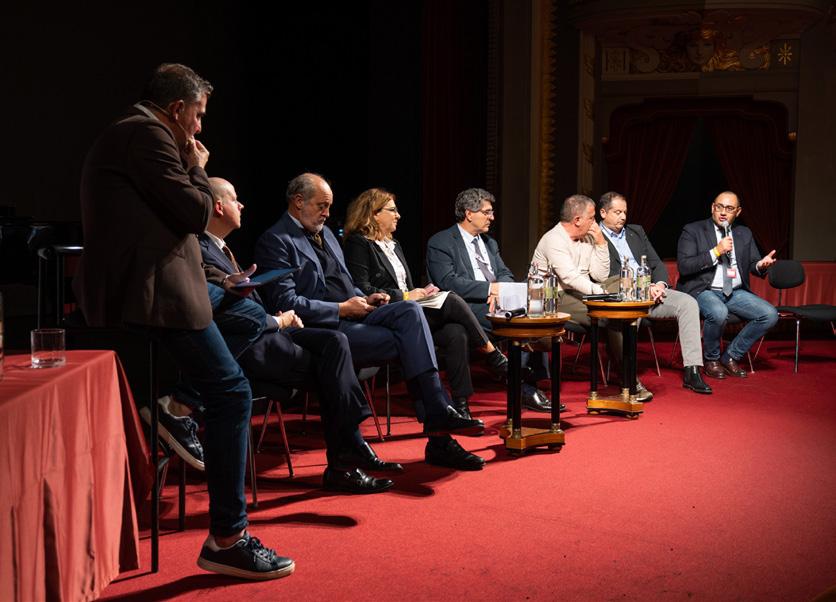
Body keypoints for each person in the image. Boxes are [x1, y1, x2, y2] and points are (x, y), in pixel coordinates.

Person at [73, 63, 293, 580]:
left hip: (166, 287)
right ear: (177, 108)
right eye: (198, 115)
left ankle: (175, 405)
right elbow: (197, 213)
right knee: (233, 392)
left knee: (246, 316)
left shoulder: (134, 133)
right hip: (152, 294)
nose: (199, 127)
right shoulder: (147, 134)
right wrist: (197, 166)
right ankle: (227, 539)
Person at [254, 173, 486, 471]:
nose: (327, 213)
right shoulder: (275, 240)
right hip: (322, 327)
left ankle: (437, 416)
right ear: (298, 202)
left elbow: (346, 282)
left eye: (329, 206)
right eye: (322, 206)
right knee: (412, 341)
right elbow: (286, 302)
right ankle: (438, 429)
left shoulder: (327, 234)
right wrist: (340, 309)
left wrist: (367, 297)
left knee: (410, 311)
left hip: (355, 313)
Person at [200, 177, 401, 494]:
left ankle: (347, 456)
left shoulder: (221, 248)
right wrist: (277, 320)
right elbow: (229, 309)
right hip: (251, 346)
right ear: (218, 206)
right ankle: (348, 453)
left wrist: (361, 299)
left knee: (336, 345)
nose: (242, 204)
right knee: (333, 365)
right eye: (235, 199)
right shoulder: (203, 249)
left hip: (278, 331)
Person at [342, 187, 510, 420]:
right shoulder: (358, 244)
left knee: (456, 332)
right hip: (384, 313)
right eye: (392, 210)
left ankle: (461, 405)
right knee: (452, 298)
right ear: (374, 214)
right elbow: (362, 289)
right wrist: (406, 296)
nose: (398, 215)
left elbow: (407, 286)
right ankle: (493, 355)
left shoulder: (394, 244)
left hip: (410, 310)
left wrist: (422, 292)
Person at [425, 188, 555, 412]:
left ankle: (525, 382)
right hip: (463, 305)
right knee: (515, 324)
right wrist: (489, 289)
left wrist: (502, 290)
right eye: (487, 212)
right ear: (469, 213)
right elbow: (448, 282)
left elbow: (504, 273)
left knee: (533, 311)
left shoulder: (489, 243)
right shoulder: (441, 242)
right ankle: (523, 387)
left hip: (495, 302)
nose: (492, 217)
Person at [532, 194, 654, 401]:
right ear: (577, 220)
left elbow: (600, 275)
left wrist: (600, 243)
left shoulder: (588, 236)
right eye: (591, 217)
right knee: (609, 316)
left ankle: (630, 317)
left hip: (582, 290)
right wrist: (601, 294)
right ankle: (629, 380)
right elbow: (570, 278)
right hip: (554, 296)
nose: (595, 222)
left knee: (623, 283)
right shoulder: (554, 239)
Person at [597, 192, 711, 394]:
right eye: (617, 212)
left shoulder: (636, 231)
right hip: (624, 296)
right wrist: (641, 288)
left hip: (652, 292)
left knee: (688, 303)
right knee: (629, 317)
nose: (623, 217)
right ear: (603, 212)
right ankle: (627, 374)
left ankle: (692, 370)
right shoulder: (594, 236)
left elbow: (656, 263)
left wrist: (659, 285)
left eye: (625, 212)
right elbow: (605, 275)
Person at [676, 191, 778, 378]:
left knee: (769, 314)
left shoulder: (744, 233)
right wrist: (716, 251)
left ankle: (730, 356)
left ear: (738, 212)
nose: (723, 212)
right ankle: (711, 359)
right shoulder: (693, 230)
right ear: (712, 208)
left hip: (734, 292)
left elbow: (753, 263)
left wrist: (761, 265)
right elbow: (684, 266)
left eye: (729, 208)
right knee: (718, 312)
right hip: (703, 290)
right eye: (719, 207)